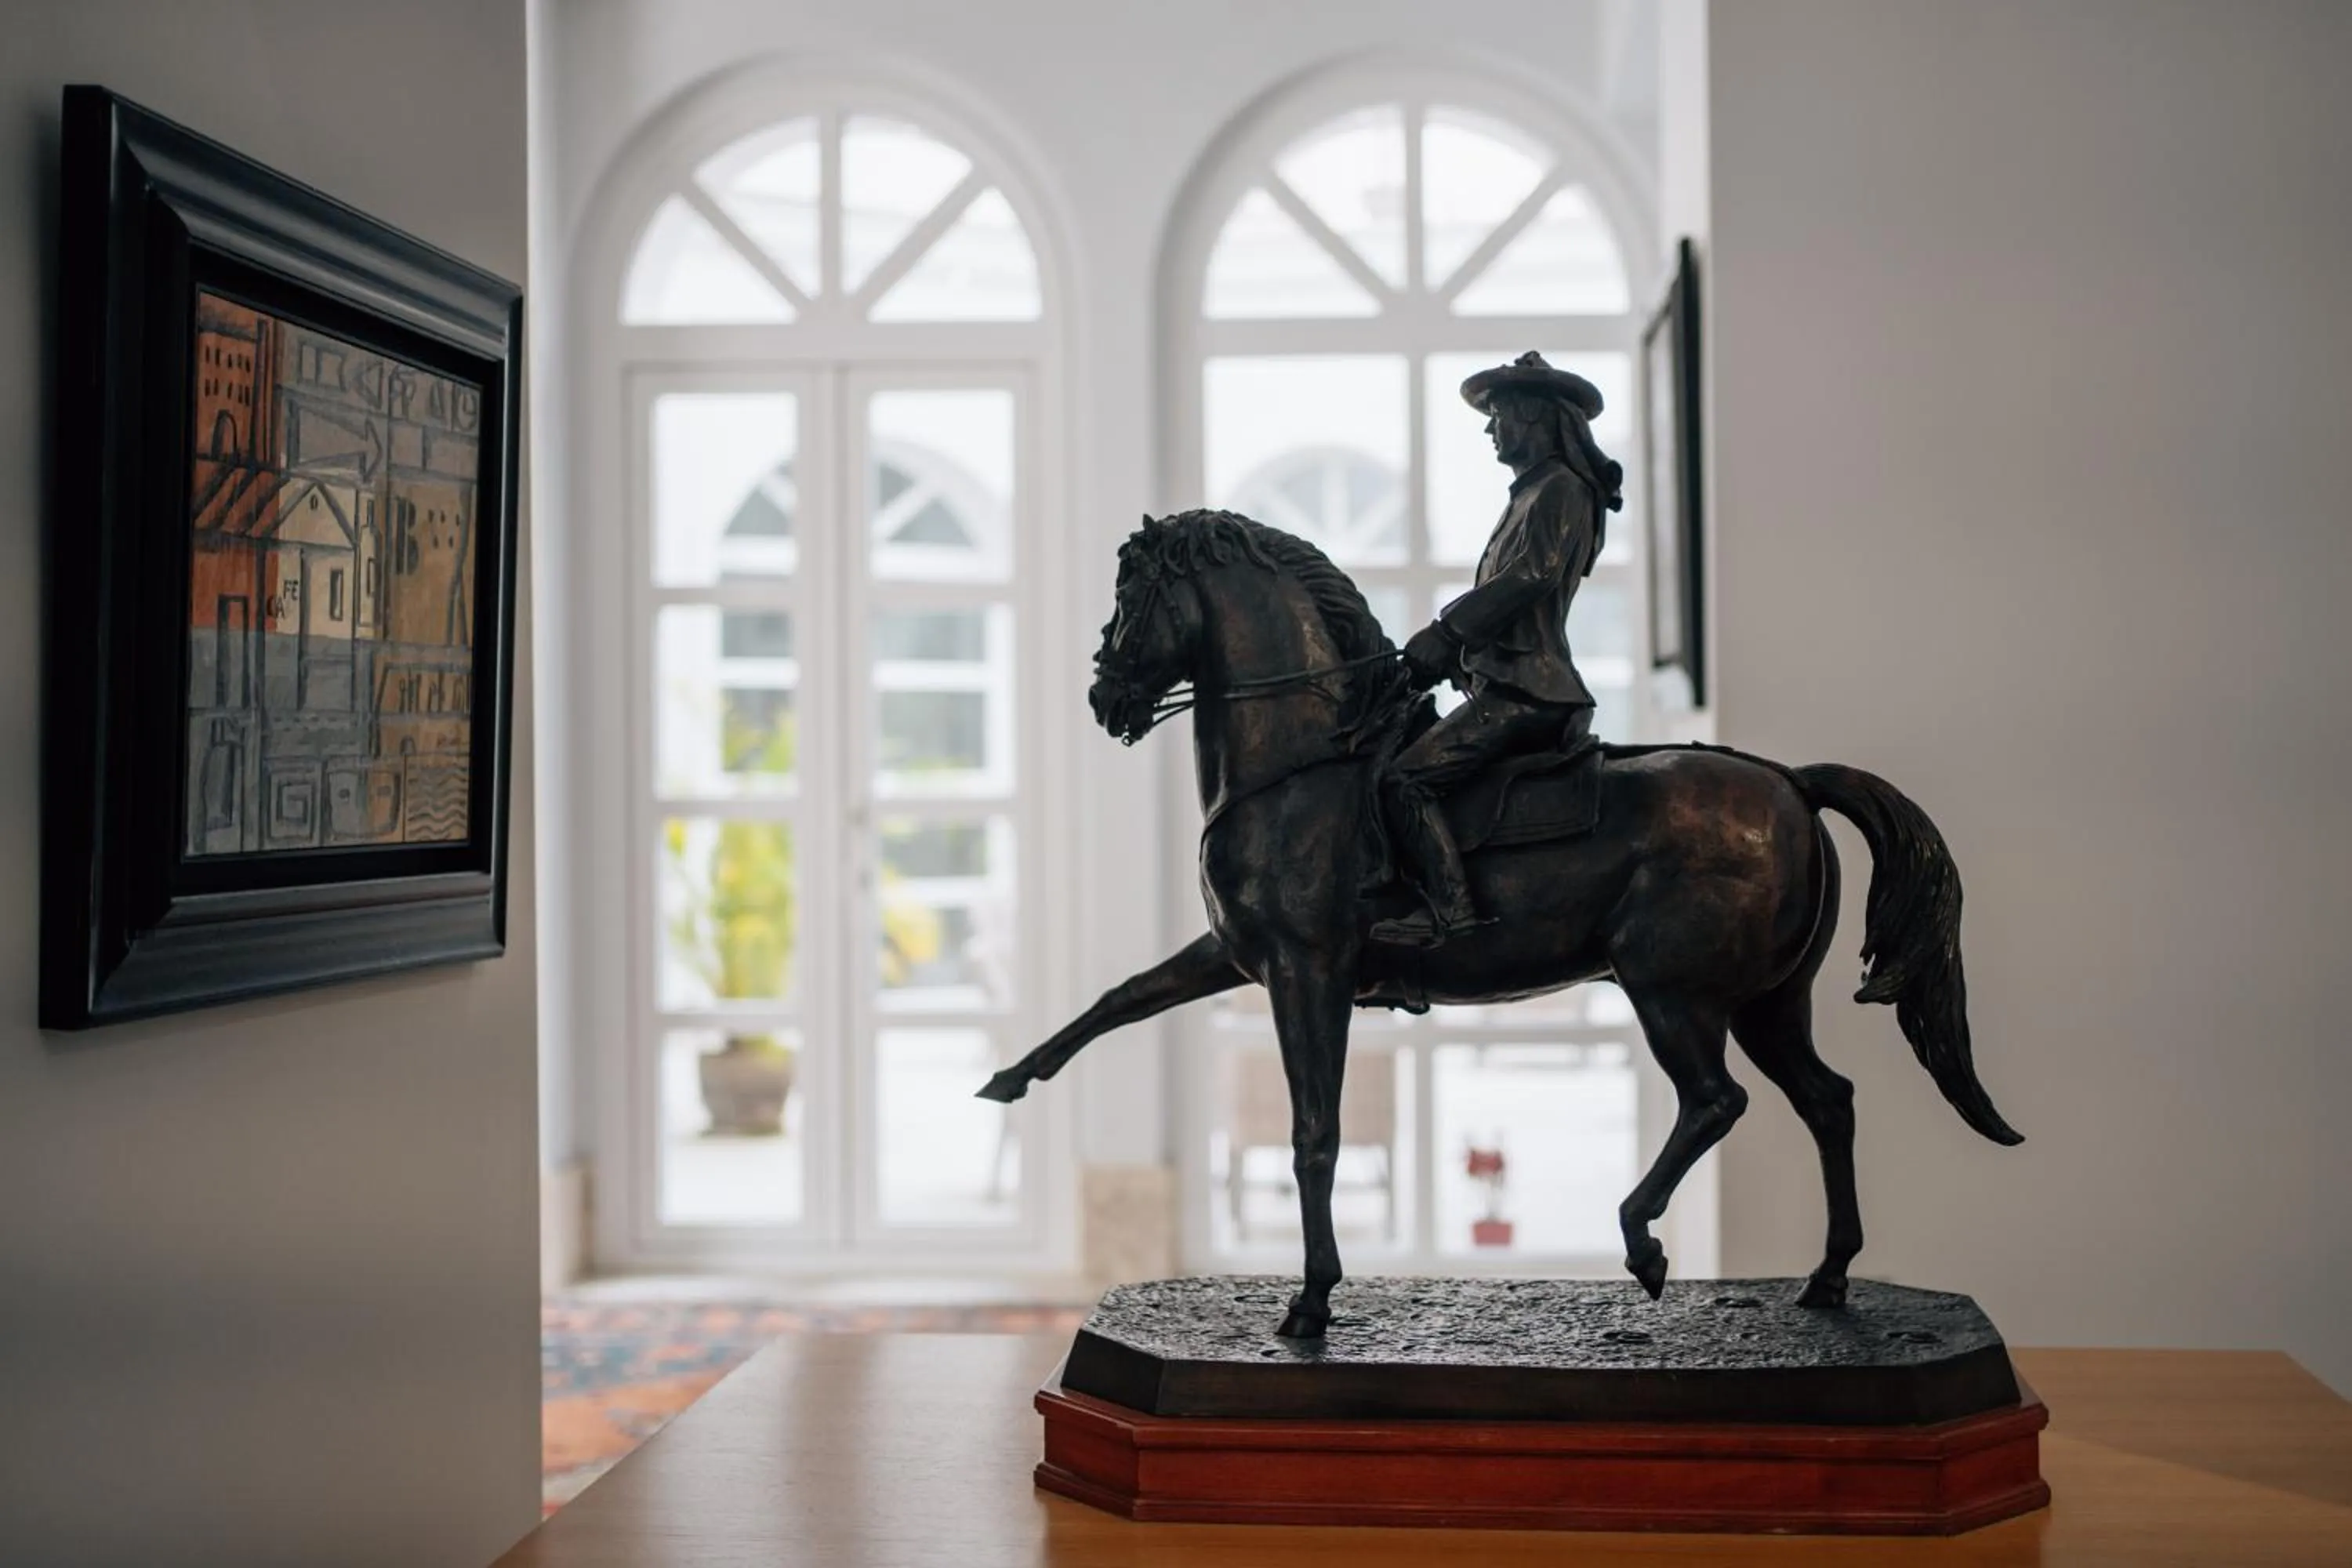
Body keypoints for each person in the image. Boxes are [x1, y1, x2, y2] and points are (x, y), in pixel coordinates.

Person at [1370, 351, 1625, 949]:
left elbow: (1531, 576)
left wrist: (1448, 633)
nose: (1490, 428)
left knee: (1404, 782)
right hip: (1507, 682)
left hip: (1530, 692)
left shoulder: (1560, 489)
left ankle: (1450, 910)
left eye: (1499, 414)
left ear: (1532, 414)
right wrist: (1452, 662)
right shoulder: (1531, 495)